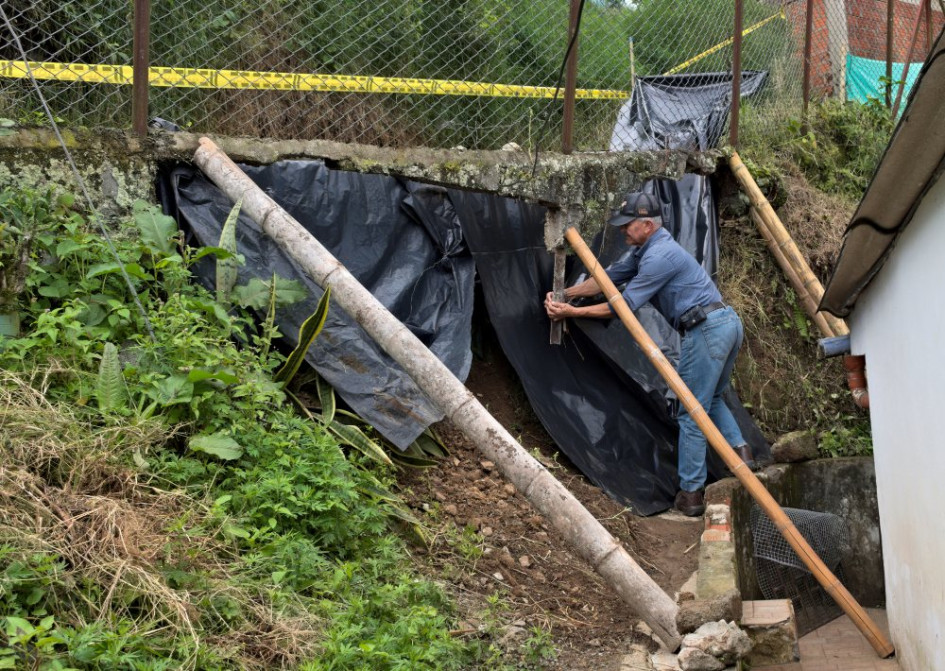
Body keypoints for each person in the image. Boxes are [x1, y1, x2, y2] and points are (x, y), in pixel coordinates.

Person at [544, 191, 755, 517]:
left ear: (647, 224)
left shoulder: (660, 257)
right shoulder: (645, 251)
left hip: (708, 329)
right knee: (710, 400)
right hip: (724, 324)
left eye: (628, 225)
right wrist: (565, 293)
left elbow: (623, 308)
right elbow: (606, 280)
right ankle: (742, 457)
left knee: (691, 411)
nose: (622, 231)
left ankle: (691, 495)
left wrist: (570, 313)